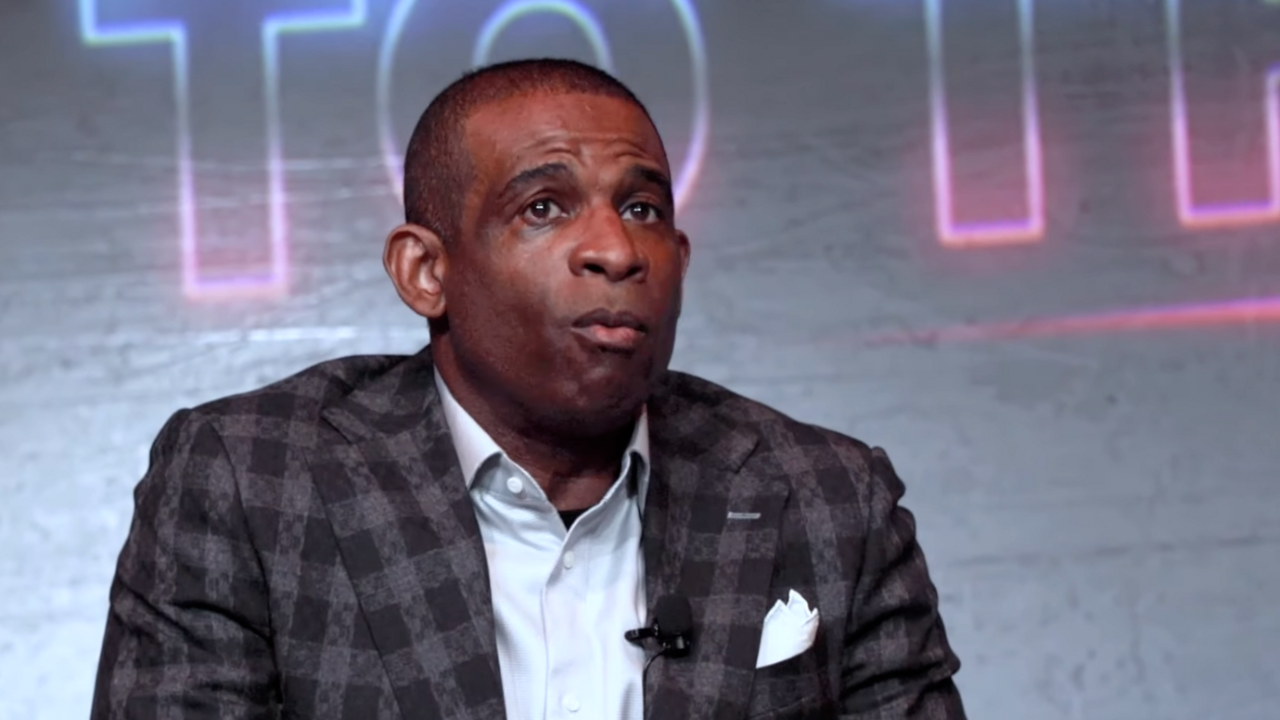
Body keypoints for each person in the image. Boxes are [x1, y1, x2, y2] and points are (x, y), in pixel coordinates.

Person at [91, 58, 966, 720]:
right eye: (543, 207)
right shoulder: (252, 483)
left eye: (643, 209)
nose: (615, 251)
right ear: (425, 271)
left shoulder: (829, 499)